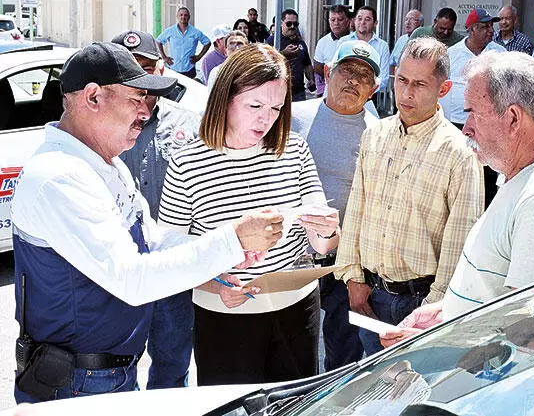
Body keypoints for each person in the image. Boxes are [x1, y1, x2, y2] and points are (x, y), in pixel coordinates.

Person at [11, 42, 283, 403]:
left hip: (100, 374)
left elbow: (152, 240)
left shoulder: (104, 164)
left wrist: (226, 255)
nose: (145, 111)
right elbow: (132, 279)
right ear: (93, 97)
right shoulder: (60, 176)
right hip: (76, 385)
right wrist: (232, 240)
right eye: (135, 99)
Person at [380, 51, 534, 348]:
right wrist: (444, 314)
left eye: (474, 113)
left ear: (513, 118)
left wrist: (435, 341)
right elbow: (496, 297)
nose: (466, 127)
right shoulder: (523, 178)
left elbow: (529, 336)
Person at [158, 43, 340, 385]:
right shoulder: (186, 162)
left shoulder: (294, 149)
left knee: (295, 404)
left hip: (297, 310)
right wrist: (215, 285)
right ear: (225, 98)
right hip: (224, 317)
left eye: (276, 108)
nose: (266, 119)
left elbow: (322, 244)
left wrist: (328, 230)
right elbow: (168, 253)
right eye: (255, 105)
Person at [334, 37, 484, 357]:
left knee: (416, 384)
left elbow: (460, 240)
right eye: (401, 80)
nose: (406, 93)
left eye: (420, 84)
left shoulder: (460, 153)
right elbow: (357, 207)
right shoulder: (374, 135)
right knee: (373, 381)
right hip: (370, 295)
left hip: (420, 303)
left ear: (443, 89)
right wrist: (353, 278)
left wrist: (434, 307)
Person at [110, 30, 203, 390]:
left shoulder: (189, 124)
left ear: (162, 71)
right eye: (127, 71)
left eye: (146, 69)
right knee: (116, 372)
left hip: (172, 271)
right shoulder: (98, 129)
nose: (138, 81)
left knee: (172, 368)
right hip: (118, 271)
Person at [291, 40, 380, 371]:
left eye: (363, 76)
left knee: (344, 355)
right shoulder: (293, 118)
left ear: (373, 89)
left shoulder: (379, 133)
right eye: (346, 70)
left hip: (348, 261)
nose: (353, 80)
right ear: (327, 72)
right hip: (295, 257)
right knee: (293, 352)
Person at [440, 7, 504, 207]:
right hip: (456, 124)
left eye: (491, 26)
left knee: (486, 170)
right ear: (472, 29)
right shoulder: (452, 54)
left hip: (487, 124)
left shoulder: (500, 53)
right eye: (485, 27)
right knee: (456, 168)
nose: (491, 30)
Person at [265, 9, 315, 102]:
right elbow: (264, 62)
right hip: (278, 92)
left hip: (298, 92)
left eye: (295, 24)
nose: (292, 26)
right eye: (289, 24)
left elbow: (307, 64)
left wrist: (311, 79)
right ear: (281, 23)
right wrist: (283, 53)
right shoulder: (273, 40)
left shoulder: (300, 42)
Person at [340, 6, 390, 91]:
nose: (362, 22)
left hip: (369, 94)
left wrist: (364, 90)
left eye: (367, 19)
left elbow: (383, 79)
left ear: (375, 23)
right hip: (344, 91)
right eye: (359, 18)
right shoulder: (344, 42)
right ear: (354, 21)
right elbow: (335, 69)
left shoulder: (382, 46)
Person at [156, 7, 211, 79]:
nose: (183, 17)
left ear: (189, 17)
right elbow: (158, 41)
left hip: (189, 69)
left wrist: (199, 56)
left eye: (185, 15)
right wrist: (164, 57)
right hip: (174, 69)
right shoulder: (170, 31)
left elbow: (207, 42)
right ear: (177, 16)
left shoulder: (195, 32)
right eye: (181, 15)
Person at [313, 5, 350, 97]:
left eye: (340, 19)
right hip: (329, 90)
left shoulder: (355, 40)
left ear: (348, 21)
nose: (336, 23)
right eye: (333, 20)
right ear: (329, 21)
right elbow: (317, 66)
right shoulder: (323, 42)